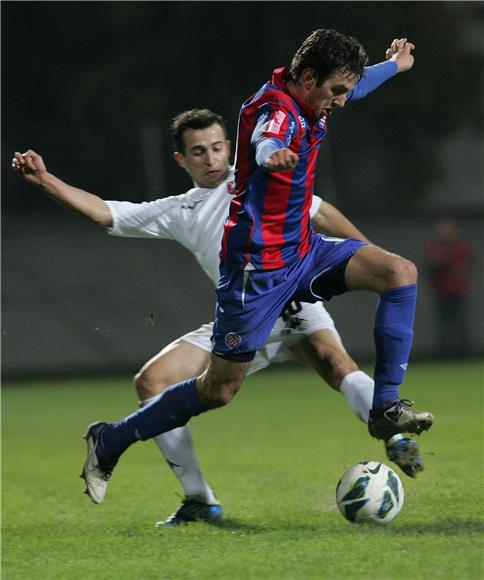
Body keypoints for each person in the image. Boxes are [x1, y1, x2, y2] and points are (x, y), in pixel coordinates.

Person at [13, 32, 431, 522]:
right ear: (310, 79)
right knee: (218, 391)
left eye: (217, 147)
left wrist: (396, 67)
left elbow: (348, 100)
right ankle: (114, 439)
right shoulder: (273, 112)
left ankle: (386, 409)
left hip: (302, 253)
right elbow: (267, 134)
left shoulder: (312, 97)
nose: (341, 101)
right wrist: (273, 151)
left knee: (398, 273)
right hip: (257, 275)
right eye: (336, 90)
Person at [425, 217, 473, 358]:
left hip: (459, 291)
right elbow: (431, 267)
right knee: (443, 325)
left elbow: (468, 265)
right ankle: (444, 355)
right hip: (441, 291)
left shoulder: (462, 246)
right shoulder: (435, 247)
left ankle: (465, 354)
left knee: (461, 323)